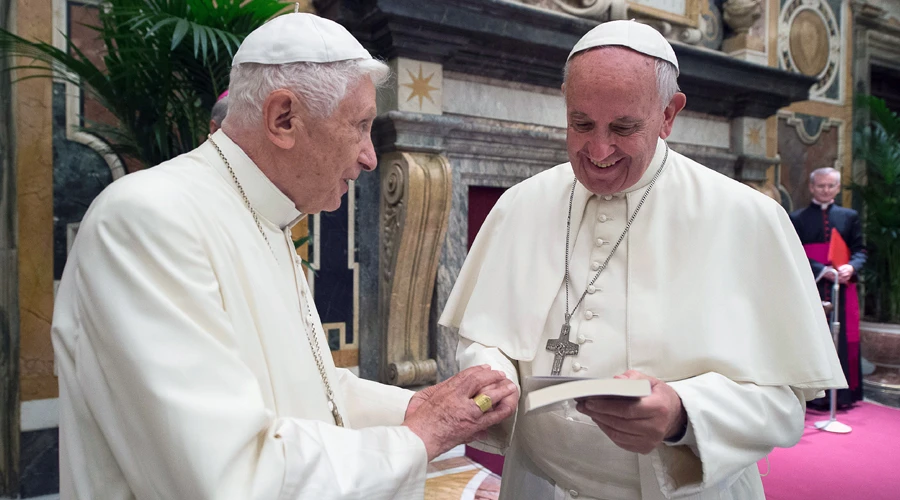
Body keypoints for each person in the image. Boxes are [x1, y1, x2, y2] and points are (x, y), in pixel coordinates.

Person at [51, 13, 517, 500]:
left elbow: (317, 390)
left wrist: (420, 406)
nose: (369, 156)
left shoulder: (265, 216)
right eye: (359, 126)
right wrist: (424, 434)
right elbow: (227, 476)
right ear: (284, 119)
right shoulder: (148, 219)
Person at [440, 20, 846, 500]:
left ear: (669, 114)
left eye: (624, 128)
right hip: (538, 485)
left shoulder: (747, 217)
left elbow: (784, 407)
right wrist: (496, 376)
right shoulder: (521, 205)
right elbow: (487, 338)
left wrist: (681, 414)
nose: (598, 150)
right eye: (581, 123)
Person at [790, 167, 867, 408]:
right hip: (811, 285)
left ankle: (842, 396)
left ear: (837, 188)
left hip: (842, 288)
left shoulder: (849, 216)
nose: (825, 190)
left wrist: (851, 268)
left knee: (842, 339)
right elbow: (794, 251)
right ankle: (813, 396)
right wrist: (822, 270)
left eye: (830, 186)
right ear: (812, 187)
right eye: (820, 186)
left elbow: (860, 250)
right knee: (812, 337)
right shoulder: (797, 218)